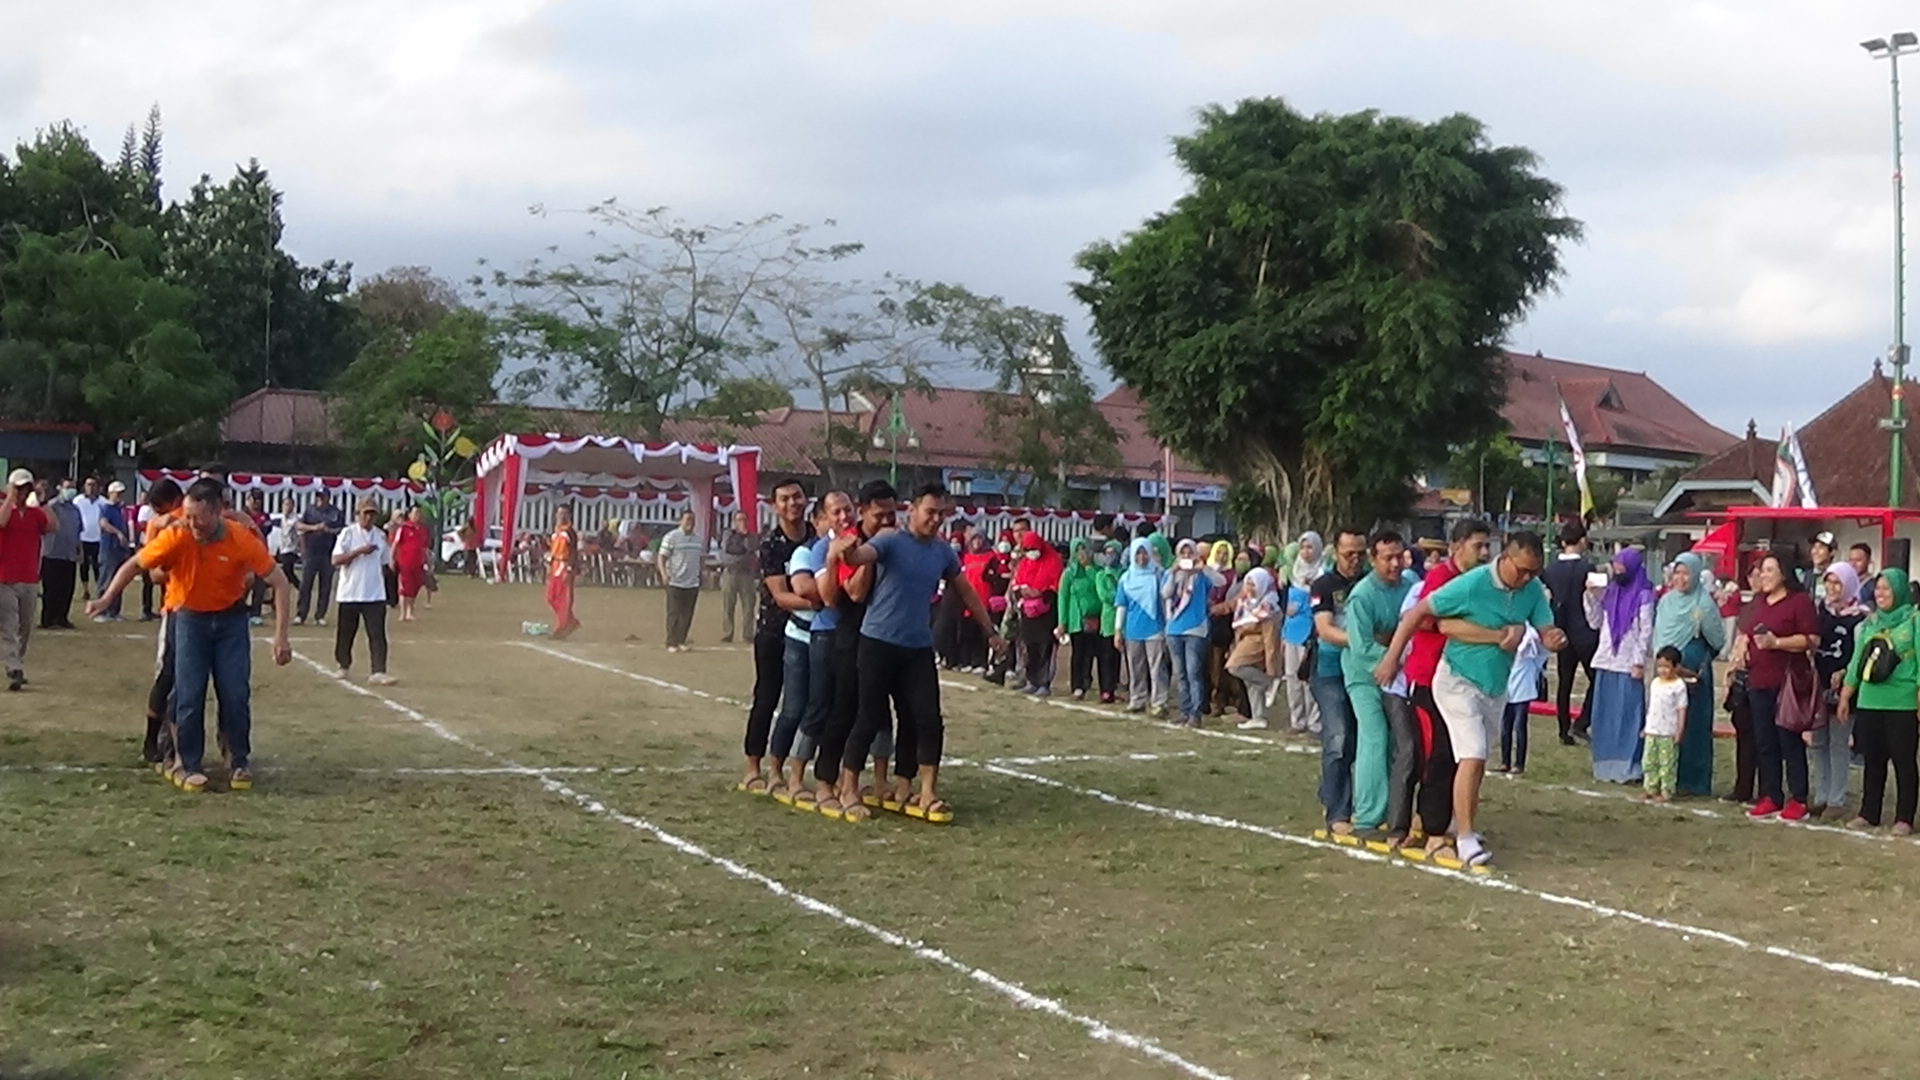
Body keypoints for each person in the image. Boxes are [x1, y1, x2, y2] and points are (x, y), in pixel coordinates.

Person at [90, 478, 293, 791]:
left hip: (230, 622)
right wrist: (106, 598)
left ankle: (238, 759)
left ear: (215, 513)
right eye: (187, 515)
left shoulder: (240, 538)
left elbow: (279, 582)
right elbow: (134, 565)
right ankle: (188, 762)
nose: (191, 523)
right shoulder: (177, 534)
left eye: (197, 517)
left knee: (235, 692)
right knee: (188, 693)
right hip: (189, 621)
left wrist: (281, 637)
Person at [1378, 531, 1566, 867]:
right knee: (1471, 755)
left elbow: (1544, 627)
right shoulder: (1472, 583)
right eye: (1521, 570)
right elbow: (1418, 612)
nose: (1526, 578)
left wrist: (1553, 636)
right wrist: (1392, 658)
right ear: (1504, 558)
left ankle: (1458, 825)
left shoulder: (1532, 590)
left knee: (1473, 761)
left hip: (1494, 685)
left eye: (1533, 572)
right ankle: (1460, 836)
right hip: (1455, 679)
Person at [833, 484, 1002, 822]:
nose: (936, 519)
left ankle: (925, 791)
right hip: (877, 643)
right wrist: (846, 550)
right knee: (868, 716)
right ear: (913, 510)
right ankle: (848, 787)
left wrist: (991, 631)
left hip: (917, 647)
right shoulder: (889, 540)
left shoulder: (942, 552)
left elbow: (966, 590)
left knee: (926, 719)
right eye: (930, 512)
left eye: (942, 513)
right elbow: (859, 557)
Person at [1397, 519, 1494, 850]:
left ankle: (1447, 822)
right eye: (1477, 546)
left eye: (1487, 546)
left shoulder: (1480, 583)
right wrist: (1455, 626)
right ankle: (1432, 828)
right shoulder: (1441, 577)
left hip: (1462, 679)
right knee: (1436, 753)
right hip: (1428, 678)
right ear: (1456, 547)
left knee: (1461, 753)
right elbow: (1421, 617)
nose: (1484, 553)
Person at [813, 481, 900, 817]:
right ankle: (826, 781)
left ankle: (867, 780)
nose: (887, 521)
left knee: (875, 712)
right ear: (866, 511)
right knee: (844, 709)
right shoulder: (849, 542)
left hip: (885, 636)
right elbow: (852, 594)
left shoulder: (895, 540)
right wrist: (864, 555)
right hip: (851, 633)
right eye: (880, 515)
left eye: (892, 514)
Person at [769, 494, 852, 803]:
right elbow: (808, 591)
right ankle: (786, 773)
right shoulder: (812, 551)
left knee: (840, 709)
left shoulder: (856, 547)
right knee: (800, 707)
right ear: (820, 520)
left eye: (847, 510)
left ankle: (840, 778)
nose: (842, 517)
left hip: (841, 635)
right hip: (808, 634)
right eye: (834, 513)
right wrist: (836, 590)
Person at [738, 480, 815, 796]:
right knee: (767, 697)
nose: (792, 503)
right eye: (784, 499)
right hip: (774, 631)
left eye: (797, 496)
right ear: (774, 505)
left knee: (806, 703)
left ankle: (790, 767)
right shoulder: (771, 544)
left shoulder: (817, 538)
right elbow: (781, 596)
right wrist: (823, 599)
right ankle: (753, 767)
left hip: (809, 632)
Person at [1341, 530, 1413, 836]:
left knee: (1404, 742)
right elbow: (1362, 647)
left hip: (1400, 675)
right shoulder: (1362, 595)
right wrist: (1394, 654)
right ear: (1373, 559)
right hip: (1364, 676)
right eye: (1388, 558)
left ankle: (1397, 810)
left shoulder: (1411, 586)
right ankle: (1367, 817)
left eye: (1400, 556)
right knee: (1374, 737)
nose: (1396, 564)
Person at [1739, 553, 1819, 820]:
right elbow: (1747, 633)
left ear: (1784, 573)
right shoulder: (1758, 602)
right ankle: (1771, 795)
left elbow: (1811, 639)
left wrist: (1777, 643)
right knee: (1764, 741)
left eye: (1770, 570)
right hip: (1758, 679)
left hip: (1787, 682)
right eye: (1762, 570)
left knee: (1789, 740)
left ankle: (1798, 798)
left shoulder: (1799, 602)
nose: (1764, 575)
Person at [1839, 567, 1919, 833]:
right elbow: (1857, 660)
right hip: (1870, 700)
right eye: (1878, 588)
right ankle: (1868, 812)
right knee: (1873, 759)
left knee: (1903, 760)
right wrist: (1847, 693)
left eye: (1887, 588)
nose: (1881, 593)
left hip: (1901, 701)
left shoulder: (1913, 621)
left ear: (1899, 591)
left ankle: (1904, 818)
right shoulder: (1871, 623)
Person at [1653, 552, 1727, 797]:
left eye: (1686, 573)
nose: (1681, 579)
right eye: (1678, 573)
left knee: (1692, 725)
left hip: (1692, 672)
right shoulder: (1666, 601)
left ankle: (1692, 781)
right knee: (1663, 723)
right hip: (1665, 670)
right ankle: (1663, 777)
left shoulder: (1704, 603)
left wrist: (1697, 659)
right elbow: (1659, 633)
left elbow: (1717, 639)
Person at [1310, 529, 1368, 835]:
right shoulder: (1324, 585)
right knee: (1338, 737)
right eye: (1349, 554)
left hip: (1363, 672)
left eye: (1361, 553)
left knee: (1359, 741)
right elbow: (1325, 629)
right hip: (1329, 670)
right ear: (1336, 552)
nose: (1355, 560)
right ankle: (1337, 812)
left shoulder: (1371, 583)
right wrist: (1363, 642)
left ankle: (1332, 792)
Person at [1584, 547, 1655, 783]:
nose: (1617, 570)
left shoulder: (1644, 593)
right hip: (1606, 660)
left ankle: (1629, 765)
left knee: (1628, 717)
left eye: (1620, 565)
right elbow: (1595, 623)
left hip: (1627, 664)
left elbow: (1646, 631)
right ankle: (1605, 765)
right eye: (1615, 565)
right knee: (1605, 715)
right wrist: (1591, 597)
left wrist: (1638, 661)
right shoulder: (1611, 592)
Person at [1810, 562, 1868, 816]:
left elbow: (1860, 653)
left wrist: (1845, 673)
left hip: (1844, 687)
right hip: (1817, 684)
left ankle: (1837, 799)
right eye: (1829, 582)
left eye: (1838, 583)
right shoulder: (1820, 611)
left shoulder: (1860, 617)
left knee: (1838, 742)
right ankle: (1821, 794)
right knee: (1818, 741)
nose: (1832, 588)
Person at [1542, 522, 1599, 745]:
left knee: (1564, 683)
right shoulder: (1589, 568)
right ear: (1582, 541)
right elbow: (1598, 597)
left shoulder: (1550, 570)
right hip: (1585, 630)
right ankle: (1582, 722)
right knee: (1595, 679)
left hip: (1561, 630)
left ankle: (1563, 729)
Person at [332, 500, 397, 684]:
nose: (369, 517)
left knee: (377, 634)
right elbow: (336, 560)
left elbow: (386, 564)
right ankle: (343, 665)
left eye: (372, 514)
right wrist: (359, 551)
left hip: (374, 593)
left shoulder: (380, 536)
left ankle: (378, 670)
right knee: (346, 633)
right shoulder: (348, 533)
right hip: (350, 592)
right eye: (365, 513)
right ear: (357, 514)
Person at [0, 469, 54, 691]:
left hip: (29, 577)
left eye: (25, 488)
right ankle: (14, 667)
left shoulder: (34, 514)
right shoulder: (4, 509)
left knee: (25, 627)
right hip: (4, 578)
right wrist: (10, 497)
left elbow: (52, 526)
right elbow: (2, 522)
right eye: (19, 488)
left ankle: (16, 662)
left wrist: (42, 501)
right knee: (9, 626)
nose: (22, 493)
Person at [1163, 538, 1223, 726]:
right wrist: (1173, 574)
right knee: (1180, 673)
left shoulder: (1202, 576)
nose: (1187, 557)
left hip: (1195, 628)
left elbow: (1220, 581)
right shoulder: (1171, 573)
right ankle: (1184, 709)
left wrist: (1203, 568)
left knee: (1193, 671)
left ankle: (1195, 713)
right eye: (1183, 553)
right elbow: (1165, 594)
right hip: (1174, 628)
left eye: (1190, 553)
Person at [1114, 537, 1169, 716]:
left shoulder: (1159, 574)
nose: (1142, 557)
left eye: (1145, 552)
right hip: (1133, 630)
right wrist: (1117, 630)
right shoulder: (1126, 578)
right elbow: (1122, 605)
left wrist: (1167, 625)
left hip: (1155, 627)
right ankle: (1137, 699)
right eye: (1138, 553)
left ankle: (1159, 701)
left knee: (1156, 667)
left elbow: (1165, 600)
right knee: (1135, 667)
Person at [1224, 568, 1284, 728]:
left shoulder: (1269, 606)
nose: (1250, 588)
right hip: (1244, 644)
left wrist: (1272, 670)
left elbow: (1270, 639)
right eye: (1248, 584)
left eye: (1254, 584)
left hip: (1257, 646)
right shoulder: (1245, 603)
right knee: (1250, 682)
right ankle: (1258, 716)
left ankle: (1268, 683)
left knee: (1234, 667)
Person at [1011, 531, 1064, 696]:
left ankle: (1044, 682)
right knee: (1030, 646)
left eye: (1033, 548)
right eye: (1027, 549)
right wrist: (1023, 592)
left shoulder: (1053, 560)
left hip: (1046, 613)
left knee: (1045, 647)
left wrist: (1039, 593)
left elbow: (1056, 587)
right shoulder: (1025, 563)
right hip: (1028, 612)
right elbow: (1017, 583)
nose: (1031, 552)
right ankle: (1031, 680)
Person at [1278, 542, 1319, 733]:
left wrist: (1302, 607)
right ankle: (1297, 719)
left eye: (1310, 547)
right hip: (1291, 633)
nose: (1306, 551)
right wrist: (1283, 635)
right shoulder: (1292, 574)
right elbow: (1287, 608)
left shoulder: (1321, 575)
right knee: (1292, 678)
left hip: (1309, 632)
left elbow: (1319, 606)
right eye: (1303, 548)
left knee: (1307, 679)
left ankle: (1314, 721)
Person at [1058, 538, 1105, 701]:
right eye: (1077, 549)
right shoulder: (1069, 574)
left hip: (1095, 618)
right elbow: (1062, 598)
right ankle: (1077, 685)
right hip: (1076, 620)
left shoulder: (1097, 570)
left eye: (1083, 549)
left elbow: (1099, 586)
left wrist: (1089, 568)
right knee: (1078, 653)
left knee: (1094, 653)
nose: (1081, 553)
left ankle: (1092, 682)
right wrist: (1062, 622)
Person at [1642, 645, 1690, 803]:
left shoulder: (1679, 686)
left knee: (1667, 763)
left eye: (1667, 667)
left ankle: (1666, 790)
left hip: (1668, 732)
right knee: (1649, 761)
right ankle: (1650, 788)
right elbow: (1651, 706)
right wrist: (1646, 727)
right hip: (1652, 729)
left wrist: (1679, 730)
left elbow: (1681, 709)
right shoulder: (1655, 682)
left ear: (1676, 667)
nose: (1662, 670)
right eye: (1660, 666)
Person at [1498, 625, 1545, 774]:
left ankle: (1519, 763)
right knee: (1505, 728)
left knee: (1520, 727)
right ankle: (1505, 761)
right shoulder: (1506, 648)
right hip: (1507, 691)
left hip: (1523, 693)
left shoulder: (1530, 649)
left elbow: (1542, 648)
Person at [295, 490, 345, 625]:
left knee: (325, 586)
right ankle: (301, 614)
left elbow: (341, 530)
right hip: (311, 552)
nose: (320, 500)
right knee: (306, 584)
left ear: (328, 498)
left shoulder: (336, 513)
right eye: (318, 497)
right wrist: (314, 527)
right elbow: (299, 525)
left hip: (328, 553)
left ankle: (320, 615)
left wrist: (328, 530)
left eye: (323, 497)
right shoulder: (310, 510)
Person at [37, 479, 81, 630]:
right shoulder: (52, 506)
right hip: (52, 553)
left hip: (69, 555)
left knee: (67, 589)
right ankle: (48, 619)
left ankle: (62, 617)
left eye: (73, 487)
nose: (71, 490)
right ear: (60, 488)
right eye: (68, 487)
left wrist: (78, 549)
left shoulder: (75, 509)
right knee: (51, 589)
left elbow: (78, 531)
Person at [660, 510, 705, 652]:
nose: (689, 522)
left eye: (692, 519)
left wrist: (700, 574)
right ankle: (671, 642)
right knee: (674, 612)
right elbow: (661, 557)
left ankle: (681, 640)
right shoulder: (671, 537)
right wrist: (664, 574)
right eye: (687, 519)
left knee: (687, 613)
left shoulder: (698, 539)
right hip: (675, 581)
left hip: (692, 582)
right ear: (680, 521)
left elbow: (701, 558)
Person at [92, 482, 133, 622]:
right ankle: (101, 611)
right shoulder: (106, 508)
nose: (120, 496)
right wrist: (118, 533)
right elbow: (103, 524)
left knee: (118, 580)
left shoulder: (120, 510)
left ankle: (114, 611)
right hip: (108, 549)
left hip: (119, 550)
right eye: (117, 493)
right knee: (106, 579)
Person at [544, 506, 583, 640]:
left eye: (564, 514)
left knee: (563, 598)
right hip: (555, 565)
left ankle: (562, 626)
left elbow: (573, 551)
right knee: (551, 597)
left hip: (565, 565)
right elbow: (553, 549)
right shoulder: (555, 532)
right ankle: (570, 621)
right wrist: (549, 565)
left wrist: (570, 568)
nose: (561, 516)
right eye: (559, 513)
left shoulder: (569, 532)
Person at [1093, 539, 1124, 702]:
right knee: (1106, 657)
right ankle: (1105, 689)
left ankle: (1115, 687)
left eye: (1114, 553)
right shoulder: (1101, 575)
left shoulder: (1124, 573)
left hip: (1124, 621)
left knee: (1117, 658)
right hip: (1107, 621)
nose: (1110, 556)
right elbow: (1104, 596)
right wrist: (1120, 597)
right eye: (1108, 553)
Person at [390, 505, 431, 623]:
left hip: (418, 563)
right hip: (405, 563)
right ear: (409, 515)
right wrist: (392, 559)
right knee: (404, 588)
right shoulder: (404, 528)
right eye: (415, 513)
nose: (417, 515)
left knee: (414, 588)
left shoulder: (423, 530)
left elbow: (425, 548)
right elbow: (395, 544)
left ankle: (410, 612)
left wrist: (427, 562)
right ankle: (402, 613)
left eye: (419, 513)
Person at [74, 476, 107, 597]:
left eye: (93, 485)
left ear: (98, 487)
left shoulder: (103, 502)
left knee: (98, 565)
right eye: (88, 485)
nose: (91, 487)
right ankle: (85, 590)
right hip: (83, 538)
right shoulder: (78, 501)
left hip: (98, 539)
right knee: (84, 566)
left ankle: (99, 589)